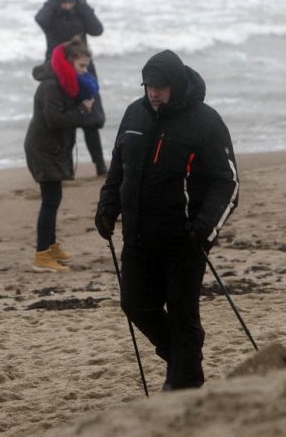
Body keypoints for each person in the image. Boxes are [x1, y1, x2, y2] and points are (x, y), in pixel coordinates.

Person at [94, 49, 239, 390]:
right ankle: (181, 358)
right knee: (135, 305)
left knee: (182, 313)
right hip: (138, 237)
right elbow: (119, 167)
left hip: (184, 242)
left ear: (175, 84)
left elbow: (228, 182)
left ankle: (185, 385)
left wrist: (202, 230)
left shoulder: (206, 121)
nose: (154, 92)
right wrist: (107, 207)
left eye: (161, 86)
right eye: (148, 85)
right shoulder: (134, 114)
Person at [24, 36, 97, 272]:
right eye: (82, 66)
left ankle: (51, 246)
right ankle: (42, 256)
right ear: (68, 62)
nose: (85, 71)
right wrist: (82, 110)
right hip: (43, 149)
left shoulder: (66, 82)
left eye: (87, 66)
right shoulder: (51, 85)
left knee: (54, 199)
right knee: (50, 201)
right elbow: (55, 121)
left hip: (53, 148)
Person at [35, 0, 108, 175]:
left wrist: (82, 4)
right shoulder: (51, 16)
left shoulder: (80, 13)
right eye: (64, 2)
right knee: (63, 121)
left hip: (82, 69)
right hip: (57, 71)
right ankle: (65, 168)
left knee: (90, 119)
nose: (68, 6)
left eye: (71, 2)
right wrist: (52, 0)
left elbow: (97, 29)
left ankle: (100, 164)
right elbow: (40, 19)